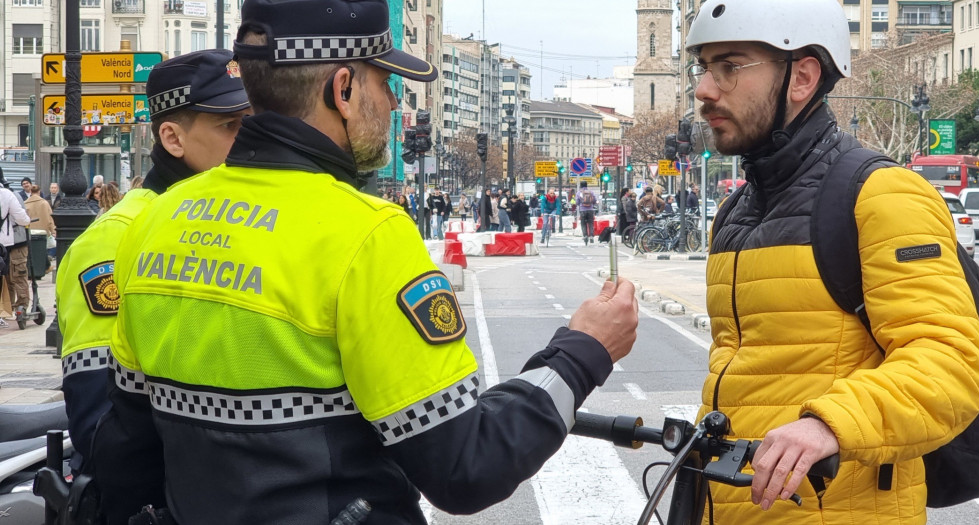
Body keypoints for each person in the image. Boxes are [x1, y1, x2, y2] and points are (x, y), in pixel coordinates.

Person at [90, 2, 639, 523]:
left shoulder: (153, 225)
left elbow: (128, 448)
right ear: (344, 88)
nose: (396, 104)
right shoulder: (366, 235)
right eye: (386, 83)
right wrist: (582, 351)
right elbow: (466, 467)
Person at [684, 1, 979, 523]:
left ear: (801, 77)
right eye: (703, 68)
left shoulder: (879, 195)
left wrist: (829, 424)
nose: (704, 90)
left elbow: (952, 362)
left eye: (729, 67)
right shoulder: (735, 213)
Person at [57, 49, 251, 475]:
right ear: (173, 138)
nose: (250, 139)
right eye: (230, 126)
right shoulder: (116, 236)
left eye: (254, 124)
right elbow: (99, 420)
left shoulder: (248, 223)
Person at [0, 173, 31, 328]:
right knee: (19, 275)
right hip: (16, 242)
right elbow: (23, 219)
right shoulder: (11, 195)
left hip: (3, 244)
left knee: (5, 278)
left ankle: (6, 308)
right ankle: (21, 307)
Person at [576, 181, 598, 245]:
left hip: (582, 210)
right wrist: (591, 204)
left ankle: (585, 236)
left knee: (583, 223)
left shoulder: (579, 193)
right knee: (591, 223)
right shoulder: (591, 192)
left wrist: (580, 204)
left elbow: (577, 202)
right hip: (590, 210)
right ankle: (591, 236)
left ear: (580, 185)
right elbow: (594, 200)